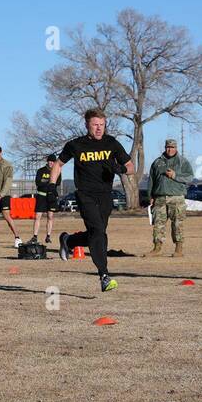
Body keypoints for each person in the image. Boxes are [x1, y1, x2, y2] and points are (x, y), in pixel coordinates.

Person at [52, 108, 134, 293]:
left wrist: (119, 169)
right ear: (87, 125)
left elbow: (130, 167)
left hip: (105, 195)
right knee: (98, 232)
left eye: (102, 125)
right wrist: (51, 186)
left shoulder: (111, 143)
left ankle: (69, 240)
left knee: (97, 234)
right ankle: (104, 275)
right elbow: (58, 164)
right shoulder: (76, 145)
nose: (99, 129)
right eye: (95, 125)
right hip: (85, 194)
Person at [144, 138, 194, 258]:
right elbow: (151, 180)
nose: (169, 149)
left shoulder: (183, 162)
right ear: (165, 147)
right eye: (168, 147)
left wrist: (175, 175)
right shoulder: (157, 162)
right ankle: (157, 248)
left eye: (172, 147)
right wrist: (150, 195)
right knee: (158, 223)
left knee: (177, 223)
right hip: (159, 197)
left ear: (176, 148)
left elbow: (190, 177)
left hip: (176, 197)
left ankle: (178, 248)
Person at [31, 155, 61, 246]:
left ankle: (48, 236)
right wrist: (50, 182)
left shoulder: (57, 171)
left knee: (50, 216)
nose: (51, 163)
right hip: (41, 196)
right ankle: (35, 236)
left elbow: (58, 183)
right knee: (37, 216)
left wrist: (46, 182)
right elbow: (38, 183)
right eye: (50, 161)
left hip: (51, 197)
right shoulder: (41, 171)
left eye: (53, 161)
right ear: (47, 162)